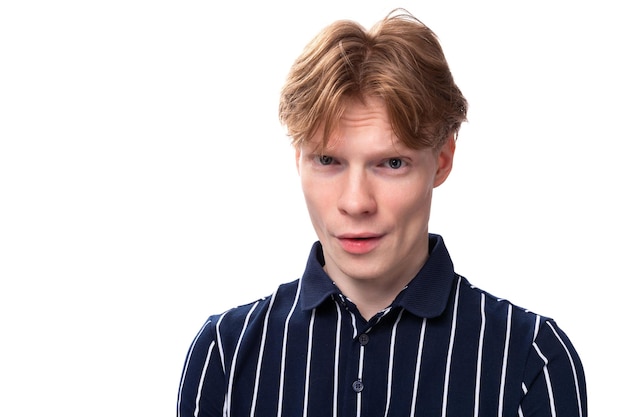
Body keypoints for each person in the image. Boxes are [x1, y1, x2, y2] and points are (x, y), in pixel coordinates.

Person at [177, 9, 587, 417]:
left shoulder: (532, 360)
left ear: (442, 160)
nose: (356, 203)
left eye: (391, 163)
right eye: (327, 160)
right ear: (297, 160)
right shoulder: (224, 355)